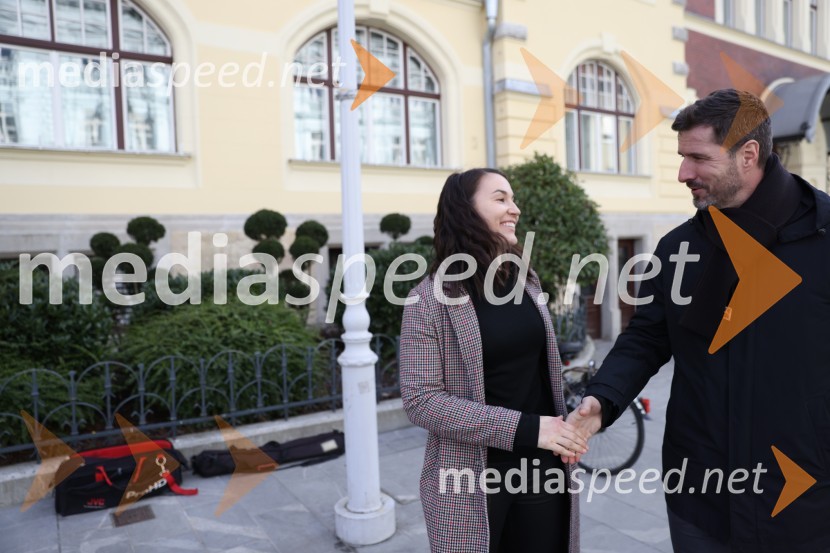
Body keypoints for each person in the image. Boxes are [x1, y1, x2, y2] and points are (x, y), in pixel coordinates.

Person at [568, 89, 830, 552]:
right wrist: (602, 400)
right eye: (681, 156)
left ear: (748, 155)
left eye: (698, 158)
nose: (683, 173)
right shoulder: (678, 248)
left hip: (804, 498)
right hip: (700, 494)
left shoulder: (823, 235)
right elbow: (648, 337)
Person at [399, 168, 586, 553]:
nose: (514, 208)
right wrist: (526, 428)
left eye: (513, 199)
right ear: (464, 210)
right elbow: (421, 400)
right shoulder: (429, 298)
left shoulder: (526, 281)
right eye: (500, 199)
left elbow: (538, 372)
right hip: (467, 475)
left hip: (542, 470)